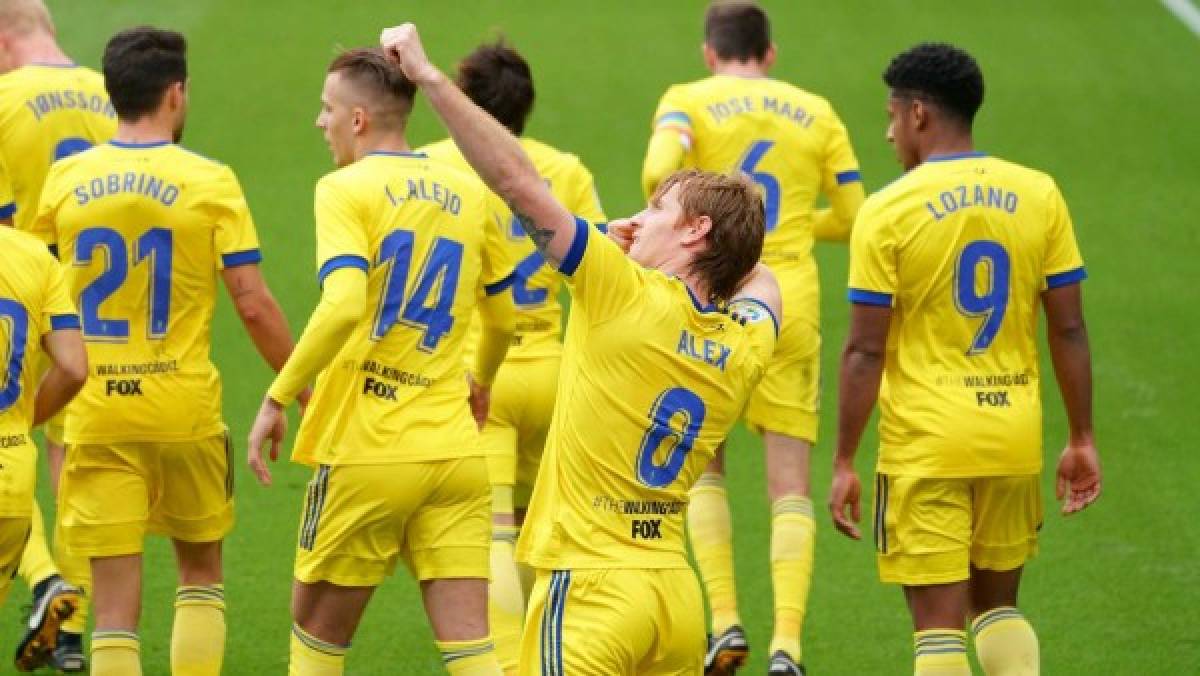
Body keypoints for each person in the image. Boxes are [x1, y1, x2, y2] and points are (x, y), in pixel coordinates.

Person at [382, 22, 782, 675]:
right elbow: (763, 279)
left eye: (657, 210)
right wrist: (702, 246)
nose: (638, 218)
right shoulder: (744, 342)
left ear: (696, 231)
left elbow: (517, 183)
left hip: (594, 591)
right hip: (673, 601)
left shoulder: (616, 288)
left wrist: (430, 79)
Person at [828, 43, 1101, 676]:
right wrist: (1082, 436)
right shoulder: (1039, 193)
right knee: (998, 609)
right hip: (1010, 435)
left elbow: (866, 348)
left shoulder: (889, 208)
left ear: (919, 112)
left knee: (938, 629)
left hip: (927, 442)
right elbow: (1071, 328)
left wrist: (843, 458)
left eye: (893, 115)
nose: (889, 130)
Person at [31, 26, 298, 676]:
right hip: (185, 414)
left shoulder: (65, 181)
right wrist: (299, 382)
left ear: (112, 93)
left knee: (115, 607)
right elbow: (254, 302)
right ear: (176, 93)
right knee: (200, 575)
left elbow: (35, 292)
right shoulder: (209, 180)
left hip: (95, 415)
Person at [246, 47, 515, 676]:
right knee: (471, 643)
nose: (320, 122)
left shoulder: (344, 189)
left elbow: (342, 306)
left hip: (367, 448)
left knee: (315, 633)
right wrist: (482, 381)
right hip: (453, 453)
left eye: (327, 109)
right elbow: (502, 319)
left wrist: (277, 396)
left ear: (359, 119)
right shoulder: (470, 191)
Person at [641, 2, 866, 672]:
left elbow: (658, 172)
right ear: (769, 53)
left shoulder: (687, 99)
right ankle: (787, 645)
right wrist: (791, 226)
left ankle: (726, 622)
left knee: (703, 461)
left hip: (710, 292)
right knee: (790, 483)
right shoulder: (816, 110)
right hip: (788, 296)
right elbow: (853, 213)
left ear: (710, 53)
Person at [420, 39, 606, 673]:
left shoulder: (432, 163)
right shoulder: (568, 169)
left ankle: (500, 664)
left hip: (479, 377)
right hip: (553, 374)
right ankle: (539, 659)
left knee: (490, 533)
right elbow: (599, 268)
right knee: (533, 529)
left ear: (463, 100)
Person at [0, 1, 117, 666]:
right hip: (106, 313)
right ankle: (70, 629)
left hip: (18, 300)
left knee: (6, 434)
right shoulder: (113, 91)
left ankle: (44, 576)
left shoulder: (4, 98)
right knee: (72, 467)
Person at [0, 226, 87, 669]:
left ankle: (46, 582)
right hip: (11, 472)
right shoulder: (35, 257)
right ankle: (47, 582)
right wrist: (21, 420)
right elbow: (73, 367)